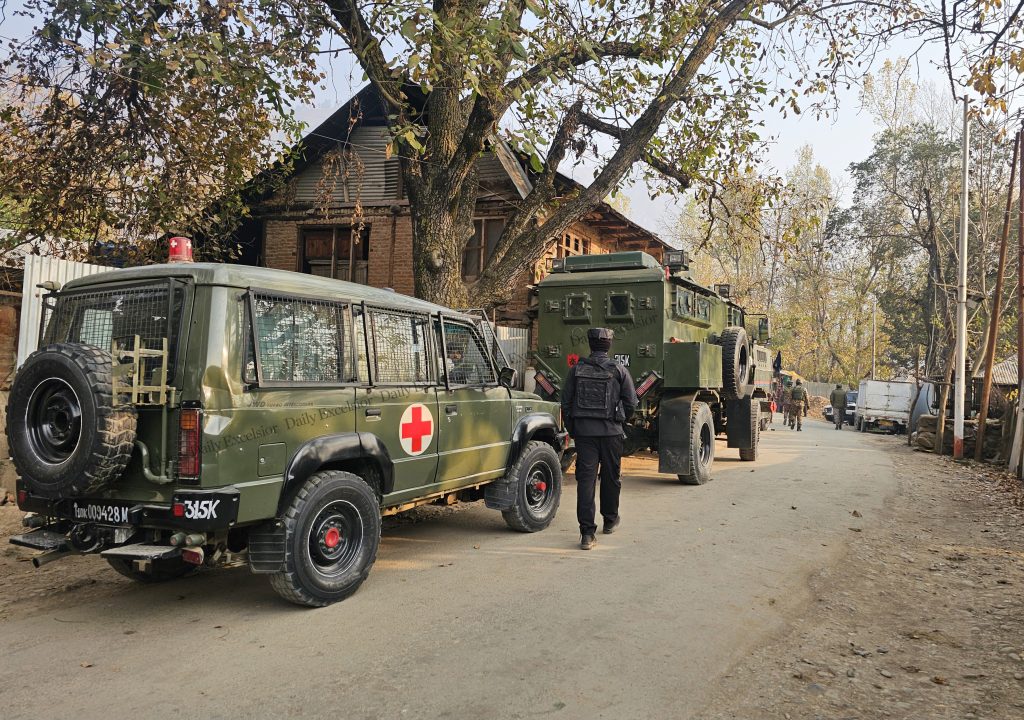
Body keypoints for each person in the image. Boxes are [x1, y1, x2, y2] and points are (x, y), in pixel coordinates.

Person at [561, 327, 637, 551]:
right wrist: (619, 421)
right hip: (611, 433)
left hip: (585, 435)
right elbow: (631, 403)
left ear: (590, 344)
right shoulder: (619, 370)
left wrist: (574, 429)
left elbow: (565, 403)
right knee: (611, 477)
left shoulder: (576, 370)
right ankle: (610, 520)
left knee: (585, 481)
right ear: (609, 345)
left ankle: (587, 534)